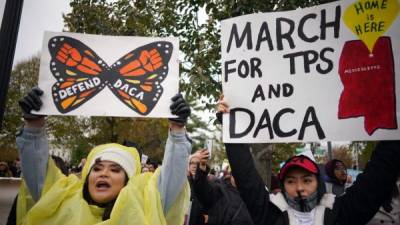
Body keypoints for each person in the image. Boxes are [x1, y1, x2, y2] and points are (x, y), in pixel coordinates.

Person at [15, 87, 192, 224]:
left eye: (115, 170)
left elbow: (171, 180)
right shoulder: (61, 199)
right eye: (97, 168)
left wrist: (177, 130)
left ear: (127, 181)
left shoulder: (143, 206)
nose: (103, 173)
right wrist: (33, 125)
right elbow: (37, 174)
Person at [217, 96, 400, 225]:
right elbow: (246, 176)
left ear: (318, 182)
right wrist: (231, 127)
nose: (299, 188)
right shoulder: (270, 214)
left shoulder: (340, 212)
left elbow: (379, 175)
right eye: (290, 181)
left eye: (307, 180)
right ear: (282, 185)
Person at [191, 149, 254, 225]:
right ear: (230, 176)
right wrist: (202, 168)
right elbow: (202, 191)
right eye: (236, 174)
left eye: (244, 174)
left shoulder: (255, 195)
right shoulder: (220, 190)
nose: (239, 177)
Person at [187, 151, 207, 225]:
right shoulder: (184, 183)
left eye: (197, 163)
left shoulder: (207, 183)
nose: (194, 166)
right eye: (191, 163)